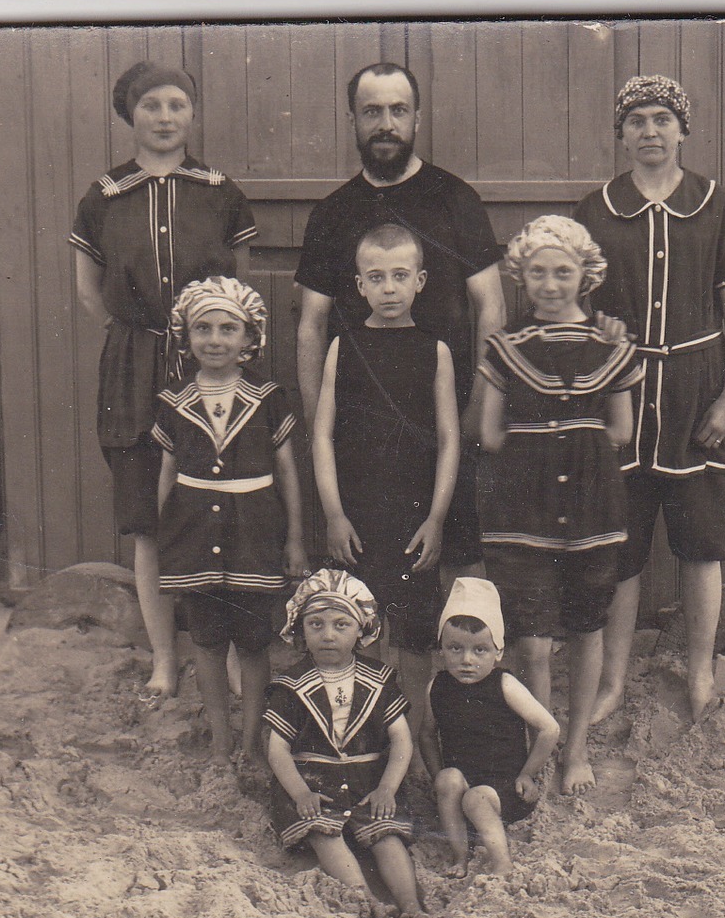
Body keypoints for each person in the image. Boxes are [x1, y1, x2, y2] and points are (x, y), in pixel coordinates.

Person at [573, 76, 725, 724]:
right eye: (635, 121)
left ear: (683, 129)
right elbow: (578, 316)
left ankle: (701, 670)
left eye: (661, 119)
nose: (649, 131)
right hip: (622, 400)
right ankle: (612, 682)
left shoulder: (717, 206)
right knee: (620, 550)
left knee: (701, 543)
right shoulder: (594, 212)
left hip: (697, 393)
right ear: (619, 134)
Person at [71, 61, 259, 699]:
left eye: (177, 104)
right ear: (130, 114)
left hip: (213, 364)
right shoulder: (103, 196)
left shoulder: (219, 192)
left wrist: (202, 342)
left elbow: (239, 288)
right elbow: (89, 293)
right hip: (135, 368)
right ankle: (162, 656)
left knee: (222, 507)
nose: (165, 117)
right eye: (151, 105)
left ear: (192, 114)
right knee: (148, 515)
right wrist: (142, 339)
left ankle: (231, 656)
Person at [295, 63, 505, 579]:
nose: (385, 123)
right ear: (353, 120)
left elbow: (493, 309)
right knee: (367, 568)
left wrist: (478, 406)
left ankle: (463, 661)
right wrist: (320, 418)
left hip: (445, 419)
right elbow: (310, 325)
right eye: (372, 111)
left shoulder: (455, 199)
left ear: (417, 118)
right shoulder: (332, 213)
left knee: (459, 557)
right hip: (363, 429)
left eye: (397, 110)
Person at [475, 215, 641, 795]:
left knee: (586, 629)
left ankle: (576, 753)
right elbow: (489, 435)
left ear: (585, 276)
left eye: (563, 272)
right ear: (520, 276)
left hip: (594, 513)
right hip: (523, 518)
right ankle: (537, 753)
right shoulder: (504, 349)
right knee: (533, 642)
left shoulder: (612, 346)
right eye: (538, 272)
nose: (550, 284)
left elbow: (622, 429)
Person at [313, 223, 460, 741]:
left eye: (400, 276)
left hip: (415, 515)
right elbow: (323, 436)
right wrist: (333, 513)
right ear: (359, 286)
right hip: (356, 514)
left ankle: (414, 741)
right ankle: (365, 740)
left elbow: (449, 439)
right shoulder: (342, 347)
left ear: (420, 280)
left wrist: (437, 519)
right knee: (360, 630)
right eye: (376, 277)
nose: (389, 288)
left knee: (416, 639)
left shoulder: (434, 350)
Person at [152, 279, 307, 763]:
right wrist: (166, 538)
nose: (214, 339)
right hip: (194, 535)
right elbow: (167, 474)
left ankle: (251, 744)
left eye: (227, 329)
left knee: (253, 642)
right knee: (207, 642)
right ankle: (221, 743)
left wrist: (296, 539)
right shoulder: (173, 400)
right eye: (203, 328)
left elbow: (286, 471)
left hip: (254, 535)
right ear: (186, 335)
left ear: (249, 338)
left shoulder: (267, 396)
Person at [264, 569, 425, 918]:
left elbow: (401, 739)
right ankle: (367, 900)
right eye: (315, 624)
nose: (327, 635)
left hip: (369, 777)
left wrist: (387, 788)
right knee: (325, 832)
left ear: (361, 630)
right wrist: (300, 793)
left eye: (341, 625)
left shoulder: (379, 678)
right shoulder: (291, 684)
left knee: (385, 834)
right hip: (313, 780)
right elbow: (277, 749)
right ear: (300, 630)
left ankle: (411, 904)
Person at [420, 577, 560, 877]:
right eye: (455, 649)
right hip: (460, 790)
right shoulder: (437, 686)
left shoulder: (505, 685)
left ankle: (501, 862)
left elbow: (549, 729)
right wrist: (435, 778)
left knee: (477, 798)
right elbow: (427, 734)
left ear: (498, 651)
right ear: (441, 650)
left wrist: (528, 774)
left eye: (480, 650)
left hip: (506, 791)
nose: (467, 660)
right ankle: (460, 856)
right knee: (448, 779)